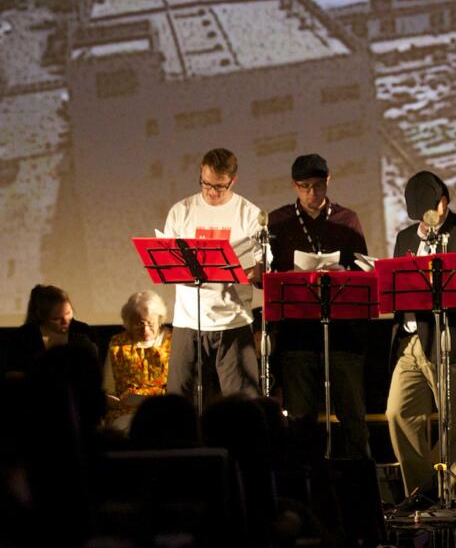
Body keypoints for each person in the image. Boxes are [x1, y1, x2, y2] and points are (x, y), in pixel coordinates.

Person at [385, 171, 456, 505]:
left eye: (441, 204)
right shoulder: (404, 238)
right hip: (411, 341)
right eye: (430, 208)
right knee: (398, 412)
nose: (438, 213)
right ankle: (422, 489)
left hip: (451, 339)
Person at [267, 153, 370, 459]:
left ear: (329, 181)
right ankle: (305, 491)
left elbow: (363, 270)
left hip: (343, 333)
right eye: (304, 186)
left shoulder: (347, 219)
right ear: (294, 186)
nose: (312, 193)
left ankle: (361, 491)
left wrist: (344, 275)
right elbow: (268, 277)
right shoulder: (279, 221)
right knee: (300, 420)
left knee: (353, 417)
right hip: (297, 333)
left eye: (317, 185)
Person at [162, 148, 263, 404]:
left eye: (219, 187)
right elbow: (168, 263)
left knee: (243, 405)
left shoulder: (249, 214)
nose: (210, 192)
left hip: (233, 321)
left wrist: (254, 272)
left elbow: (262, 269)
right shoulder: (181, 211)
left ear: (233, 180)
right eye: (205, 183)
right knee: (180, 402)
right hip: (188, 321)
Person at [102, 290, 172, 433]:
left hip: (163, 408)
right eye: (139, 324)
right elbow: (108, 387)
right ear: (128, 322)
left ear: (159, 320)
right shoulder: (118, 343)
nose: (145, 330)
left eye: (150, 323)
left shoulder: (173, 342)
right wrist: (113, 400)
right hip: (127, 411)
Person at [2, 285, 96, 377]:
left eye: (68, 313)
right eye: (56, 319)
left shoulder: (82, 331)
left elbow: (94, 372)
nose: (65, 321)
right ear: (42, 316)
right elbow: (12, 374)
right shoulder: (22, 337)